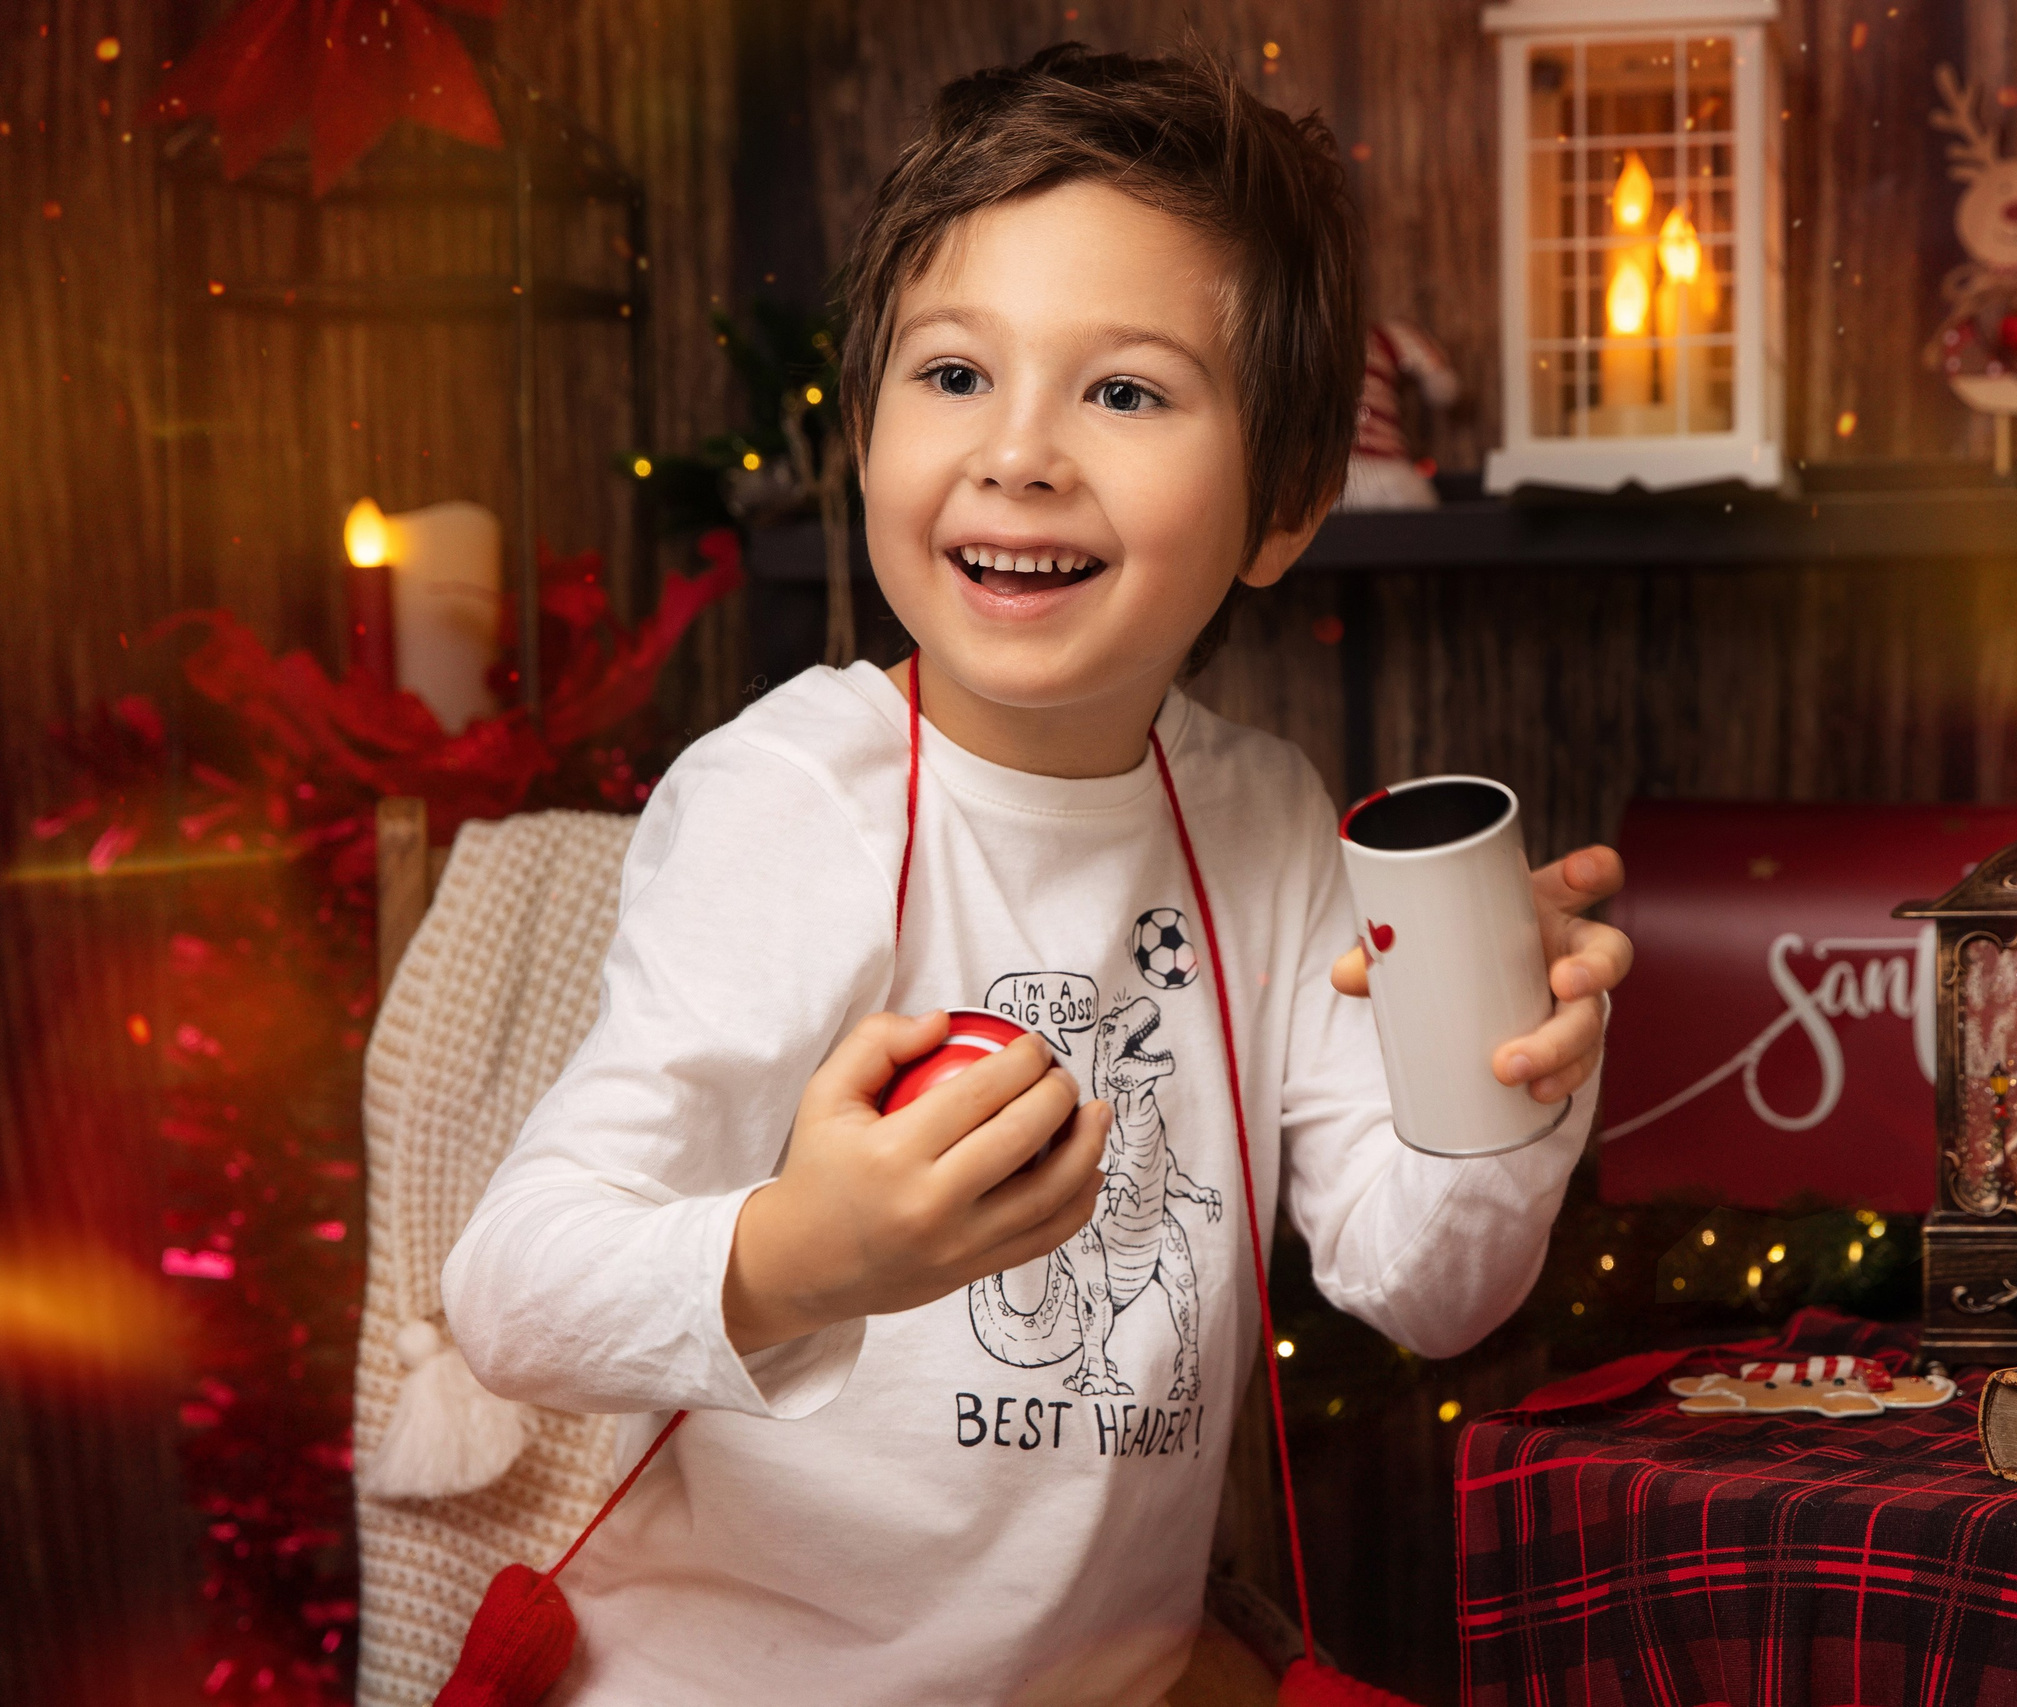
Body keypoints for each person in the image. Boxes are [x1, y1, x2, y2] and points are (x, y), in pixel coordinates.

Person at [443, 42, 1631, 1706]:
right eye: (950, 375)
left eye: (1125, 391)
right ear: (863, 430)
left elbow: (1423, 1284)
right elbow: (513, 1291)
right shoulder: (793, 800)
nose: (1019, 454)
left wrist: (1502, 1052)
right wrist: (807, 1255)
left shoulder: (1266, 821)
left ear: (1284, 506)